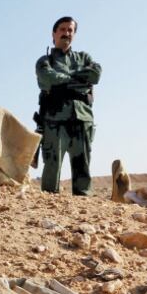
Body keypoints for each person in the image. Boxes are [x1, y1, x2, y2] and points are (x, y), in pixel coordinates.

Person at [35, 17, 102, 195]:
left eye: (70, 30)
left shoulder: (84, 57)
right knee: (52, 165)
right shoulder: (45, 61)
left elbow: (95, 75)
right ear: (54, 34)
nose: (66, 33)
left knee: (83, 166)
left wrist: (63, 79)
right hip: (54, 119)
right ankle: (49, 209)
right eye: (63, 29)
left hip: (82, 118)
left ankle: (83, 207)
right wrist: (77, 79)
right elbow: (48, 78)